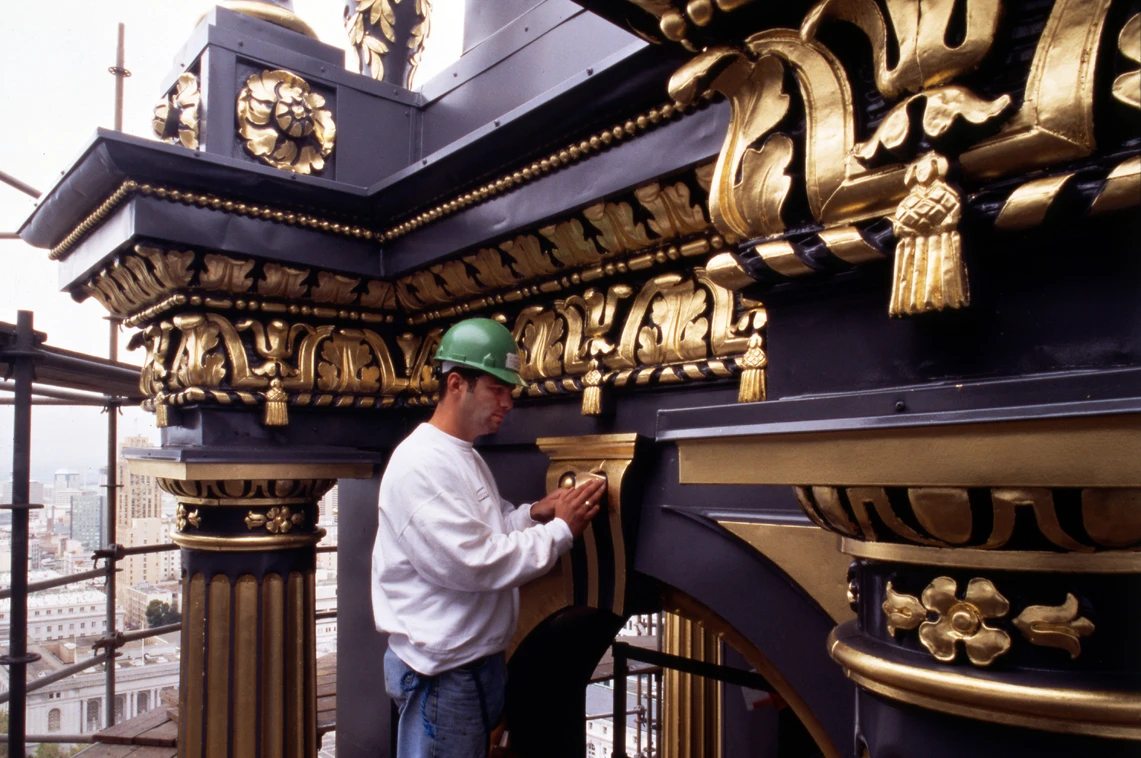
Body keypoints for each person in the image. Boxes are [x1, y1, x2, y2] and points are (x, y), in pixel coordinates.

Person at [371, 317, 605, 758]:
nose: (508, 403)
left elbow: (489, 530)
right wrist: (560, 531)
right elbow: (471, 561)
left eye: (509, 391)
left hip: (468, 668)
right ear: (457, 383)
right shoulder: (421, 463)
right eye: (497, 389)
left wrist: (535, 514)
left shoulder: (460, 454)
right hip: (444, 677)